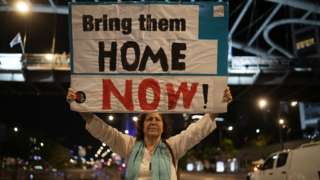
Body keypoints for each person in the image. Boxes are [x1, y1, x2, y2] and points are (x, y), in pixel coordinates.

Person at [67, 87, 232, 180]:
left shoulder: (172, 146)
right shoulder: (129, 145)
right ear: (142, 125)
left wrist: (218, 105)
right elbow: (104, 131)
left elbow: (197, 131)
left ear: (163, 126)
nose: (153, 122)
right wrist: (80, 106)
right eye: (149, 119)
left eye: (157, 120)